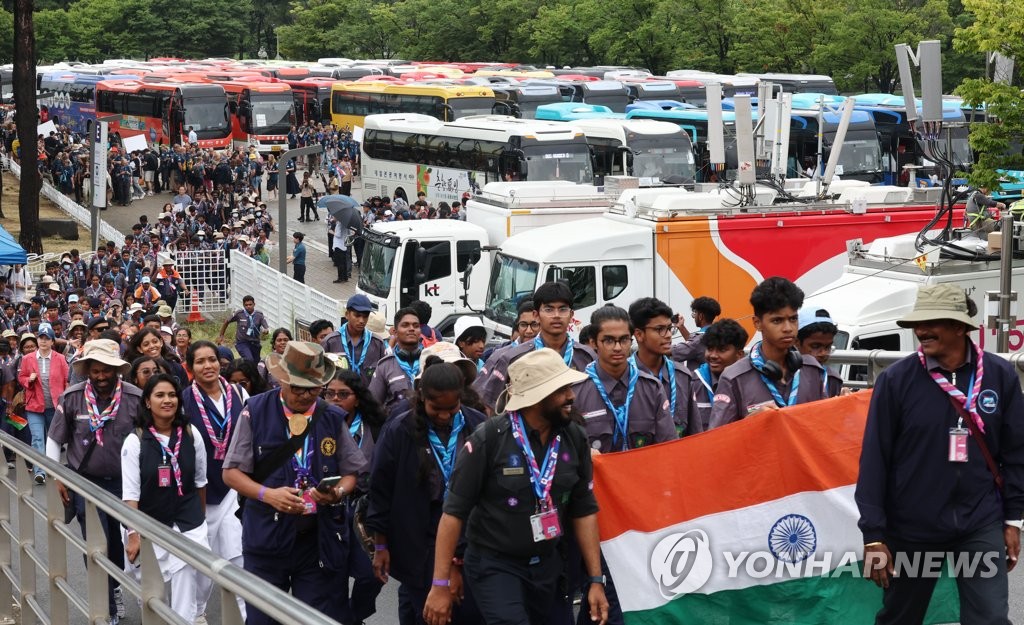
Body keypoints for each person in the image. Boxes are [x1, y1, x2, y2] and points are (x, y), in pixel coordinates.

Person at [856, 283, 1024, 625]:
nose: (921, 330)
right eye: (917, 323)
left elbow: (1016, 451)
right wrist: (873, 536)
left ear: (960, 326)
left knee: (990, 618)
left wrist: (1013, 519)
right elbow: (875, 459)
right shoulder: (895, 381)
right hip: (912, 526)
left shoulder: (1000, 374)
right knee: (901, 617)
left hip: (980, 521)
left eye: (932, 321)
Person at [423, 348, 609, 625]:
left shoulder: (575, 438)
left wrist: (595, 580)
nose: (571, 396)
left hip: (549, 566)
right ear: (536, 398)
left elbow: (584, 510)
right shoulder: (489, 439)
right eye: (562, 390)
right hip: (495, 566)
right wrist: (439, 584)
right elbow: (453, 514)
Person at [222, 341, 367, 625]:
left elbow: (353, 472)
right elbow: (231, 473)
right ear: (282, 380)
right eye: (297, 387)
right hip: (266, 537)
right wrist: (268, 494)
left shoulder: (332, 417)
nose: (304, 395)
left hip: (316, 540)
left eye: (312, 389)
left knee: (312, 618)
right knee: (263, 618)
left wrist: (336, 492)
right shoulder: (256, 410)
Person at [366, 357, 486, 625]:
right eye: (436, 408)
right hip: (419, 537)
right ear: (421, 398)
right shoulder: (399, 429)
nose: (444, 416)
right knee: (431, 612)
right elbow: (381, 488)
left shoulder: (478, 426)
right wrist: (381, 544)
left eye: (452, 408)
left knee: (468, 611)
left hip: (469, 534)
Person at [46, 340, 143, 624]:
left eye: (106, 371)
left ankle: (114, 586)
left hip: (127, 485)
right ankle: (106, 607)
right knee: (96, 544)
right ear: (87, 370)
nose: (101, 377)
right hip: (86, 483)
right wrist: (57, 476)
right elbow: (55, 439)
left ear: (116, 370)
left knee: (120, 544)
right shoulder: (73, 397)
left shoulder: (135, 398)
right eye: (95, 371)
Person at [121, 374, 209, 624]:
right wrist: (134, 535)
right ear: (147, 402)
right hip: (149, 520)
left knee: (197, 574)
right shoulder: (135, 440)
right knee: (152, 586)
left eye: (172, 395)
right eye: (160, 395)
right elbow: (130, 494)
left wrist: (200, 520)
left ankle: (189, 618)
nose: (167, 400)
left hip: (188, 519)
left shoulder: (192, 435)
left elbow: (200, 482)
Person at [182, 341, 248, 623]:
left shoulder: (238, 392)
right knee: (201, 564)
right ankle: (197, 612)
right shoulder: (182, 400)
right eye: (200, 361)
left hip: (234, 486)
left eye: (212, 359)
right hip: (200, 492)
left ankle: (247, 616)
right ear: (190, 367)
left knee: (238, 557)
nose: (208, 366)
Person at [707, 277, 828, 429]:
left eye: (793, 319)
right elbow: (716, 439)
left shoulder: (812, 370)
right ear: (757, 323)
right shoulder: (734, 378)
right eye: (777, 321)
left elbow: (825, 426)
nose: (788, 328)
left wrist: (843, 405)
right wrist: (750, 424)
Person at [323, 368, 387, 624]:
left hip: (365, 507)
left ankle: (354, 615)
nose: (336, 399)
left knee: (372, 574)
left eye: (343, 394)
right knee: (333, 572)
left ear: (357, 398)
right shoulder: (319, 422)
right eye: (330, 394)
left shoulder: (376, 424)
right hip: (331, 505)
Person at [474, 282, 596, 412]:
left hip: (578, 429)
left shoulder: (588, 358)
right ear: (536, 315)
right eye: (549, 309)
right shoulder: (513, 358)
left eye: (563, 309)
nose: (556, 315)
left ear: (571, 315)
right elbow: (490, 405)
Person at [628, 297, 701, 437]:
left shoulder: (682, 376)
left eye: (669, 328)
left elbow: (695, 434)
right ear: (639, 334)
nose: (668, 335)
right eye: (659, 329)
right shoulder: (625, 377)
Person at [18, 322, 69, 483]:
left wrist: (65, 399)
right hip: (34, 406)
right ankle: (40, 471)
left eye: (47, 338)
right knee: (38, 438)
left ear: (52, 341)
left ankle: (53, 470)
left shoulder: (60, 359)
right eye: (41, 338)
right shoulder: (27, 359)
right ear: (37, 339)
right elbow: (21, 377)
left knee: (53, 439)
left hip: (54, 406)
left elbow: (67, 381)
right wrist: (28, 380)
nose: (43, 341)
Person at [691, 319, 748, 432]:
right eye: (710, 349)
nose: (713, 355)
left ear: (739, 354)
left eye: (722, 350)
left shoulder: (750, 383)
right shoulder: (692, 384)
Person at [368, 307, 424, 415]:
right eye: (405, 325)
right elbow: (372, 406)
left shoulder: (430, 360)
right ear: (395, 332)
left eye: (415, 326)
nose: (411, 328)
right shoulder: (384, 366)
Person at [322, 294, 387, 387]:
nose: (361, 320)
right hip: (338, 399)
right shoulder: (331, 342)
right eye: (357, 315)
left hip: (367, 399)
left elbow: (384, 375)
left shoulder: (377, 343)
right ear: (347, 315)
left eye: (365, 316)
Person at [796, 307, 845, 398]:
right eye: (815, 346)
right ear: (797, 342)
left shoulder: (832, 379)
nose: (823, 353)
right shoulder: (785, 376)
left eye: (828, 347)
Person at [671, 296, 720, 367]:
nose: (694, 317)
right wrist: (681, 327)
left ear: (700, 316)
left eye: (695, 313)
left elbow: (673, 351)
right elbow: (693, 344)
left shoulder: (699, 340)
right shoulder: (715, 333)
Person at [218, 295, 269, 363]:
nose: (248, 307)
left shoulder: (259, 315)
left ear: (254, 304)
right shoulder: (239, 314)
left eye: (250, 304)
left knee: (256, 363)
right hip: (242, 343)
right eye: (246, 305)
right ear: (243, 305)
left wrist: (265, 331)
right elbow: (226, 322)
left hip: (255, 343)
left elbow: (266, 327)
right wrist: (221, 335)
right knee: (249, 360)